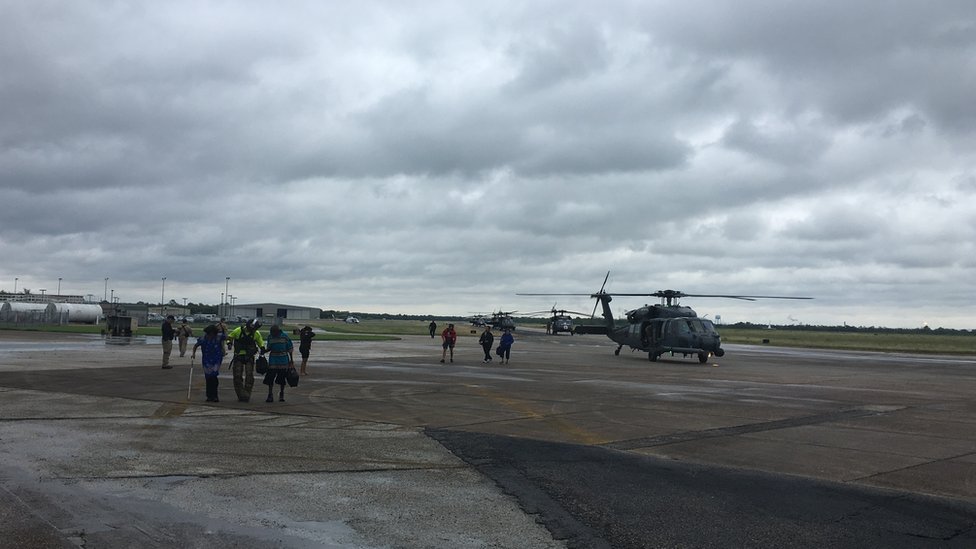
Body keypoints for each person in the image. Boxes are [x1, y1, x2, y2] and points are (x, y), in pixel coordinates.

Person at [225, 319, 265, 402]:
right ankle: (240, 394)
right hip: (238, 356)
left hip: (249, 357)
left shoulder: (256, 333)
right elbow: (229, 337)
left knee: (249, 375)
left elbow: (260, 342)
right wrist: (229, 343)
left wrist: (262, 348)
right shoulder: (238, 331)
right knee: (237, 376)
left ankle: (247, 393)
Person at [191, 324, 226, 402]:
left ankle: (215, 395)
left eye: (212, 334)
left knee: (214, 377)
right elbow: (196, 346)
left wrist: (223, 329)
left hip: (216, 360)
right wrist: (193, 353)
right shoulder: (203, 339)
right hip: (206, 360)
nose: (210, 335)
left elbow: (229, 337)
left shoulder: (219, 337)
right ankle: (209, 395)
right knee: (208, 378)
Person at [263, 325, 295, 402]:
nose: (272, 334)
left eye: (274, 333)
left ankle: (282, 393)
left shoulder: (285, 336)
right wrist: (264, 351)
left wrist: (291, 360)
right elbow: (269, 347)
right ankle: (270, 394)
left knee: (282, 378)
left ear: (278, 331)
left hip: (283, 360)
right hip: (273, 360)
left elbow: (290, 349)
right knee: (270, 378)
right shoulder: (270, 337)